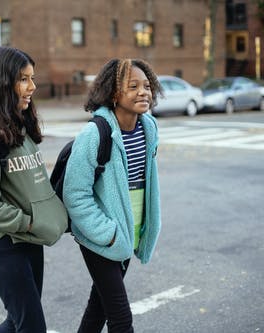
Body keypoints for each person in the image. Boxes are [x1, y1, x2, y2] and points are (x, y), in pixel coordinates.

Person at [0, 46, 68, 333]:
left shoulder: (19, 127)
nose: (32, 86)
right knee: (31, 327)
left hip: (30, 242)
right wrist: (28, 222)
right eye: (23, 79)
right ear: (1, 83)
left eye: (32, 78)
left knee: (19, 322)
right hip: (6, 245)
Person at [63, 58, 163, 333]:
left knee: (99, 308)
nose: (143, 92)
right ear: (113, 93)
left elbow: (147, 182)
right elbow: (75, 194)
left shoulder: (149, 127)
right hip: (102, 235)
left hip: (129, 233)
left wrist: (138, 230)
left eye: (147, 86)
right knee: (121, 319)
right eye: (133, 86)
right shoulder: (94, 134)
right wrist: (108, 233)